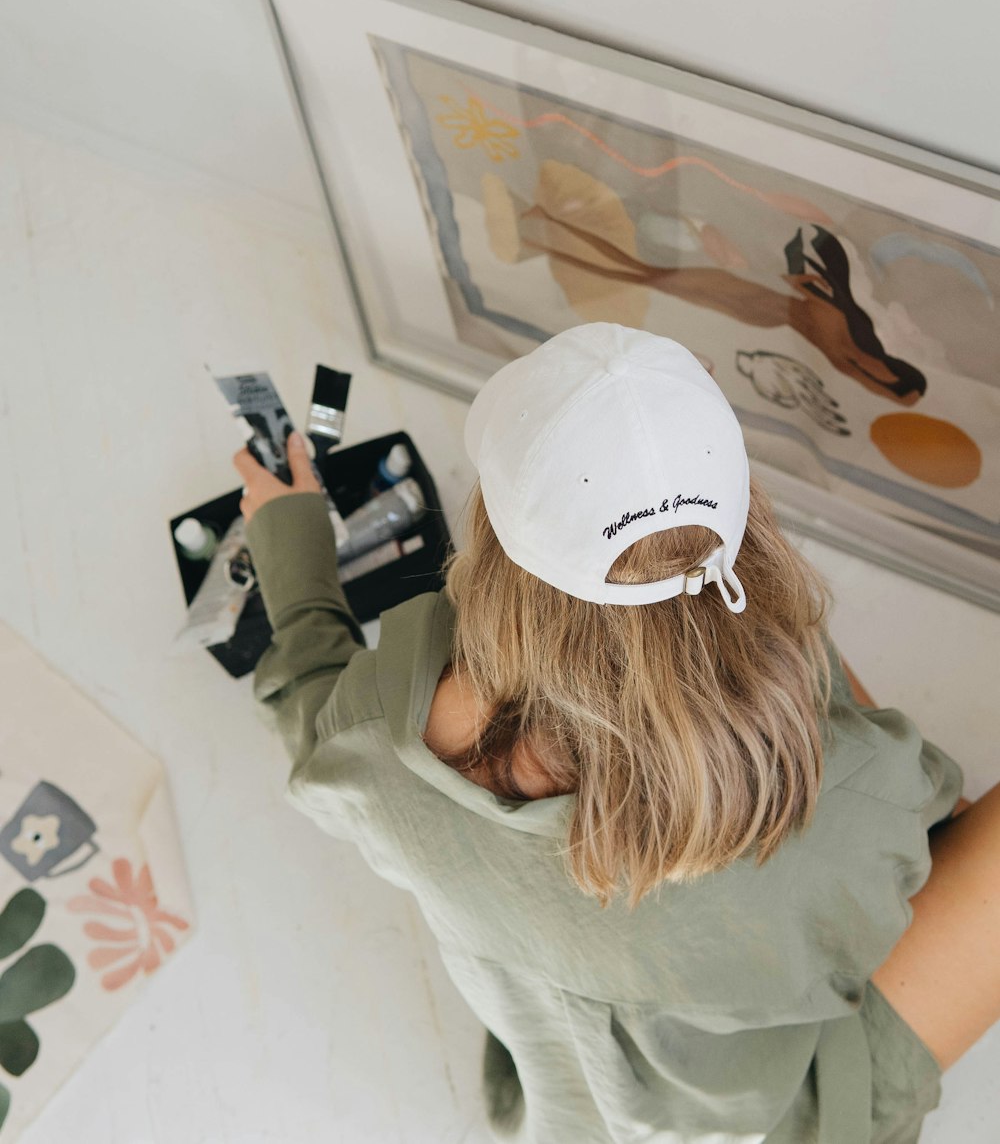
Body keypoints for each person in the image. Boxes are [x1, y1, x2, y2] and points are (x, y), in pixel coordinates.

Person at [234, 324, 997, 1144]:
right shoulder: (850, 793)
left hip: (578, 1111)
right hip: (783, 1117)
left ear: (490, 549)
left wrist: (290, 536)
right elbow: (915, 845)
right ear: (749, 522)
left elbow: (310, 707)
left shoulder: (380, 747)